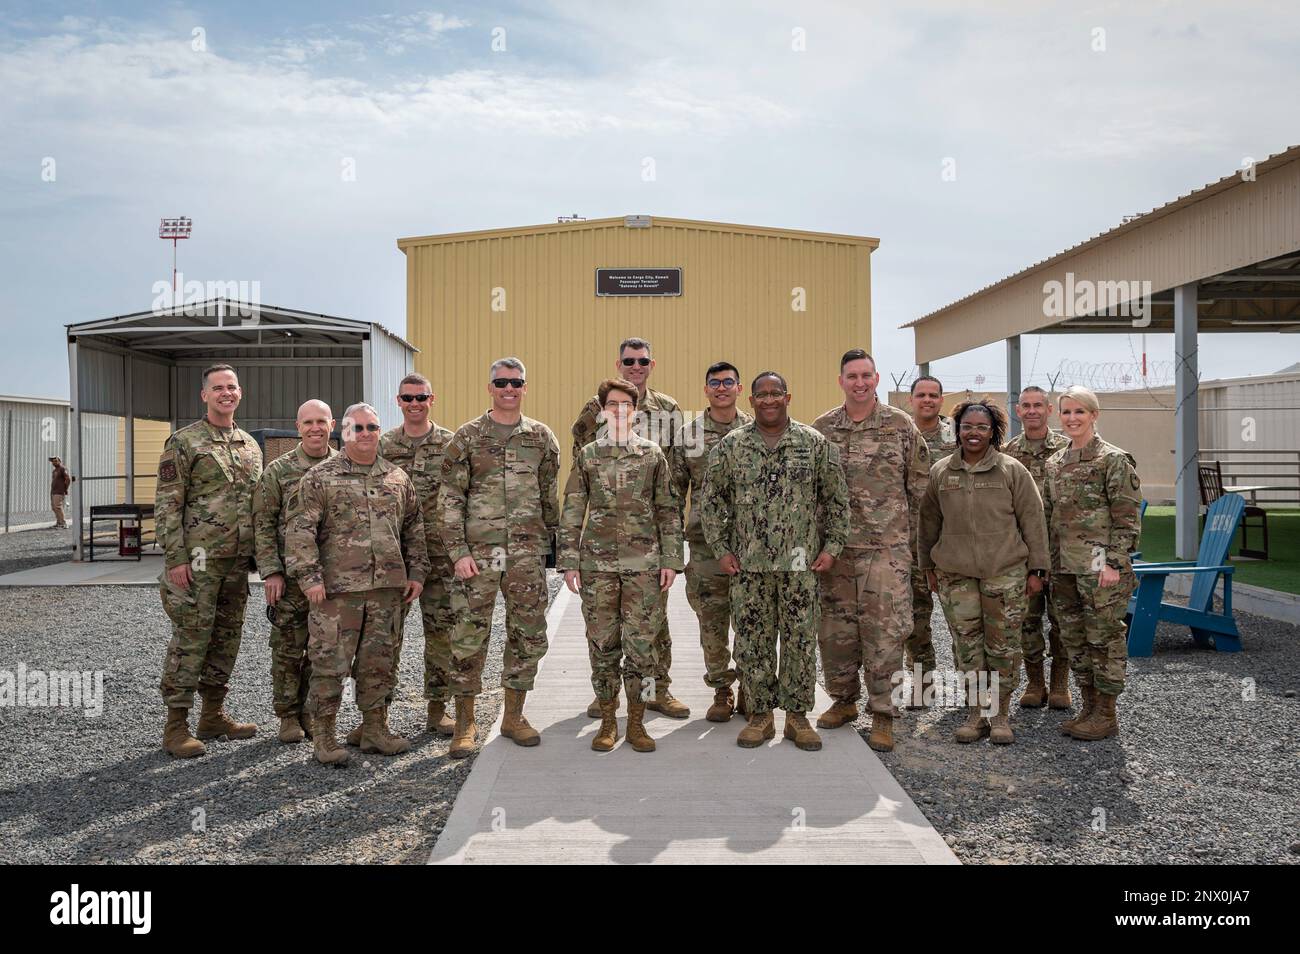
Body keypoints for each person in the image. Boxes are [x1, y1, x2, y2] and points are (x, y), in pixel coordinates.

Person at [700, 371, 849, 752]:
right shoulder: (732, 446)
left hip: (801, 566)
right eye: (761, 394)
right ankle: (761, 715)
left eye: (775, 393)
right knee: (753, 643)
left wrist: (832, 547)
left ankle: (797, 718)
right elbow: (712, 501)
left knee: (799, 641)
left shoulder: (814, 443)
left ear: (788, 396)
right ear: (750, 401)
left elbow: (836, 500)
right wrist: (720, 548)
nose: (768, 399)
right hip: (748, 567)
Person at [287, 403, 428, 765]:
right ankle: (324, 736)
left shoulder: (396, 477)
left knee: (378, 663)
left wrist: (417, 572)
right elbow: (300, 531)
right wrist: (309, 578)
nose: (365, 434)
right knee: (330, 664)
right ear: (344, 432)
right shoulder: (320, 477)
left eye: (372, 427)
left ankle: (375, 730)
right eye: (357, 428)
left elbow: (413, 528)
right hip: (337, 593)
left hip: (386, 590)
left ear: (380, 431)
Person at [439, 357, 560, 758]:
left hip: (526, 556)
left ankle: (513, 716)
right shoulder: (467, 438)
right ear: (490, 387)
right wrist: (457, 552)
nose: (509, 389)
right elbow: (451, 498)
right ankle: (465, 722)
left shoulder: (541, 438)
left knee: (527, 635)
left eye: (516, 383)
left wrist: (553, 548)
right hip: (479, 556)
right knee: (468, 637)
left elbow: (548, 498)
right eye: (502, 383)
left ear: (525, 387)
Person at [812, 350, 929, 752]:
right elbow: (812, 493)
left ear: (877, 379)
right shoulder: (823, 428)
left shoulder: (900, 425)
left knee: (885, 635)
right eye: (852, 376)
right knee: (836, 633)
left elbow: (919, 490)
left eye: (866, 376)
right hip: (836, 551)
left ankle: (883, 714)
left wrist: (915, 552)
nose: (859, 383)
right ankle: (843, 701)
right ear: (840, 380)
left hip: (886, 550)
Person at [560, 378, 683, 753]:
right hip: (597, 565)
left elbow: (667, 509)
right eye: (612, 405)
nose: (619, 411)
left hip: (643, 565)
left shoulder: (651, 455)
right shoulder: (588, 456)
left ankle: (637, 723)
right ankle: (609, 720)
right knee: (602, 644)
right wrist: (568, 560)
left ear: (636, 411)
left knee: (643, 647)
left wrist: (671, 560)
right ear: (601, 411)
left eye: (626, 405)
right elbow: (574, 508)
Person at [918, 399, 1049, 744]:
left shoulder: (1012, 470)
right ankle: (976, 713)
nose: (973, 433)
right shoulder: (941, 472)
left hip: (1004, 572)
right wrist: (927, 566)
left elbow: (1033, 521)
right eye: (966, 427)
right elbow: (928, 523)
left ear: (993, 432)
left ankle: (1001, 714)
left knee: (1003, 646)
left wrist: (1038, 569)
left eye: (981, 427)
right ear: (957, 430)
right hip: (955, 574)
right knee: (968, 648)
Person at [155, 364, 263, 758]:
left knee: (226, 638)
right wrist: (176, 558)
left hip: (236, 562)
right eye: (218, 388)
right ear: (205, 395)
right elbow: (168, 504)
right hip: (197, 563)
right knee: (191, 638)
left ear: (240, 393)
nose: (225, 393)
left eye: (231, 387)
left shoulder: (250, 445)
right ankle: (175, 726)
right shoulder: (184, 442)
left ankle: (213, 715)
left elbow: (256, 505)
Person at [1044, 386, 1142, 741]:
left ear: (1094, 416)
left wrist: (1113, 563)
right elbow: (1049, 515)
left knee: (1104, 637)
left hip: (1100, 567)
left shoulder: (1113, 460)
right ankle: (1088, 705)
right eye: (1066, 412)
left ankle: (1106, 712)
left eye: (1080, 412)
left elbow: (1126, 518)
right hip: (1064, 567)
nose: (1072, 419)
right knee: (1074, 637)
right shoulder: (1054, 462)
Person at [670, 361, 751, 722]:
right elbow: (672, 495)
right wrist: (671, 550)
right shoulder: (689, 435)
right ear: (706, 390)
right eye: (715, 383)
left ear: (738, 387)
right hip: (705, 547)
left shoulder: (756, 429)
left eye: (728, 382)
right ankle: (722, 690)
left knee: (752, 621)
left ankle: (752, 687)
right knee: (712, 622)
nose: (722, 388)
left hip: (752, 547)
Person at [253, 399, 337, 744]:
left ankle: (314, 714)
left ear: (332, 424)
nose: (315, 428)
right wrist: (270, 571)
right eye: (308, 422)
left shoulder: (344, 466)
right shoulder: (278, 470)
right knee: (288, 647)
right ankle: (287, 715)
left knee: (325, 650)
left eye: (321, 421)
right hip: (288, 579)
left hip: (332, 578)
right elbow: (262, 522)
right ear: (297, 426)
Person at [378, 372, 457, 740]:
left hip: (440, 556)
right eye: (407, 398)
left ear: (432, 399)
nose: (414, 404)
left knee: (441, 635)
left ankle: (438, 710)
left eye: (420, 397)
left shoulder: (451, 444)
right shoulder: (382, 445)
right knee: (385, 637)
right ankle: (376, 717)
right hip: (395, 557)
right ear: (398, 401)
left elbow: (462, 496)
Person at [1003, 386, 1071, 708]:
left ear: (1049, 410)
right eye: (1026, 406)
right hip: (1023, 552)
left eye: (1038, 406)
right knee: (1027, 621)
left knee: (1061, 620)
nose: (1032, 411)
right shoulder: (1007, 454)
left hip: (1061, 552)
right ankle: (1035, 683)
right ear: (1018, 411)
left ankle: (1059, 684)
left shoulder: (1067, 449)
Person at [906, 375, 956, 696]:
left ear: (941, 399)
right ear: (911, 399)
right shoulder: (899, 434)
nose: (927, 400)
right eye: (921, 395)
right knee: (915, 620)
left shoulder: (958, 434)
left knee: (961, 620)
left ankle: (975, 690)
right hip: (911, 544)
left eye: (933, 395)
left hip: (951, 544)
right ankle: (923, 685)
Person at [49, 457, 74, 529]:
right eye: (53, 461)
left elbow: (68, 479)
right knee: (54, 507)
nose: (54, 462)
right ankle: (59, 522)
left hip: (59, 491)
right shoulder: (54, 471)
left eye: (56, 461)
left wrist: (65, 489)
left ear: (60, 461)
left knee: (58, 507)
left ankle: (64, 523)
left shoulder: (63, 469)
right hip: (53, 491)